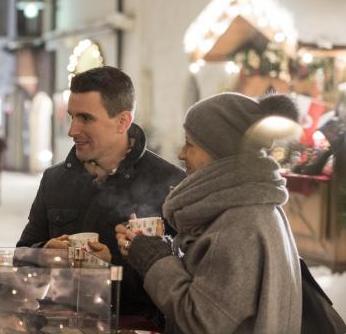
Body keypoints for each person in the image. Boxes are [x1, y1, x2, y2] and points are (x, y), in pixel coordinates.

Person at [116, 92, 302, 333]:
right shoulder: (253, 205)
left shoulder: (239, 223)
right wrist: (159, 250)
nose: (182, 154)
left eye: (190, 144)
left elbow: (202, 322)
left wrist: (155, 259)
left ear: (220, 154)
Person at [16, 66, 186, 325]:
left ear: (123, 122)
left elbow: (183, 286)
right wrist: (43, 254)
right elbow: (21, 258)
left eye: (86, 118)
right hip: (59, 328)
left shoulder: (170, 184)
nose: (72, 130)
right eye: (72, 116)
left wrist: (111, 271)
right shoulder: (54, 180)